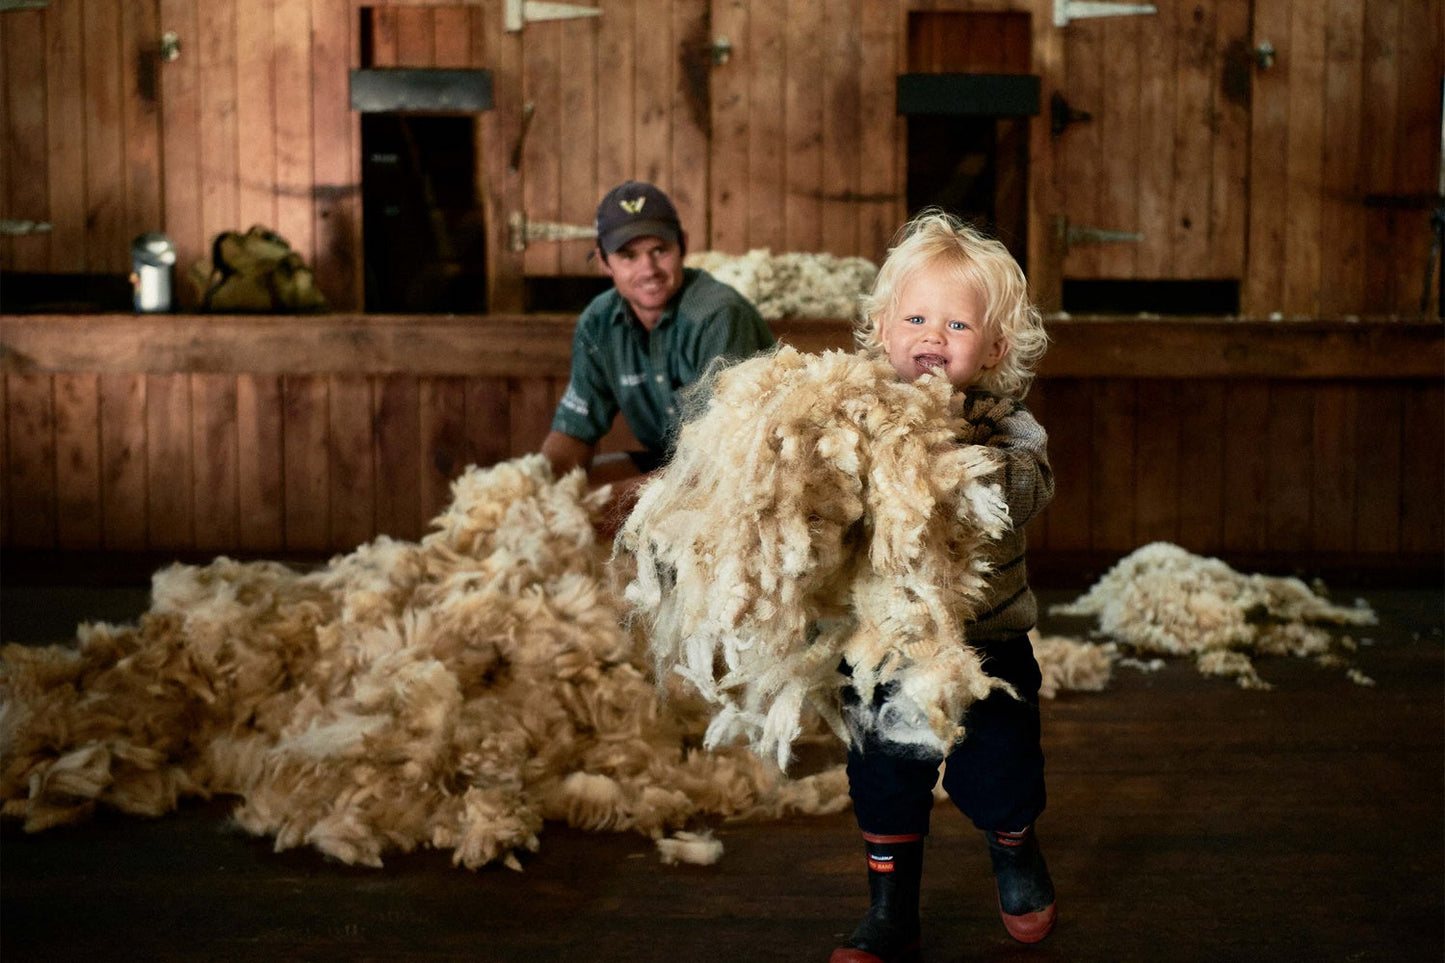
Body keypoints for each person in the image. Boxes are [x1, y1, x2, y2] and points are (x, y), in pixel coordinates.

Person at [830, 209, 1056, 963]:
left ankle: (1013, 843)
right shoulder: (853, 417)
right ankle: (891, 908)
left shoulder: (1005, 425)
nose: (933, 334)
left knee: (1002, 773)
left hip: (983, 640)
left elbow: (1028, 489)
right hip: (884, 638)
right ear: (883, 327)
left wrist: (957, 459)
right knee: (882, 775)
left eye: (957, 325)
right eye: (917, 317)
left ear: (994, 348)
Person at [541, 181, 775, 531]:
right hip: (672, 462)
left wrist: (606, 504)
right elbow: (574, 433)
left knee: (602, 506)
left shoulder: (717, 316)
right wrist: (534, 493)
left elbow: (721, 459)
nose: (648, 270)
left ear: (682, 245)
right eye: (628, 256)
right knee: (575, 488)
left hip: (748, 471)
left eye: (659, 250)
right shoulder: (599, 322)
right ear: (604, 261)